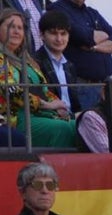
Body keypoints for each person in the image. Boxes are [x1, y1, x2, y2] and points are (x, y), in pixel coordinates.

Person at [0, 8, 76, 147]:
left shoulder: (28, 59)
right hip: (17, 118)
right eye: (11, 26)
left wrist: (58, 105)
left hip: (41, 113)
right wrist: (46, 105)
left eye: (20, 28)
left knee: (77, 126)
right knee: (62, 129)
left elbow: (44, 89)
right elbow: (12, 91)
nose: (16, 31)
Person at [44, 0, 112, 111]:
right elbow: (82, 36)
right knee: (86, 125)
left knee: (108, 127)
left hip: (106, 87)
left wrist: (94, 48)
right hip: (82, 86)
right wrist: (102, 38)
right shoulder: (57, 9)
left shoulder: (92, 13)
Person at [33, 10, 80, 115]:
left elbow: (75, 103)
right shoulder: (34, 62)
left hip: (71, 118)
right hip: (49, 118)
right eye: (53, 33)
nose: (59, 39)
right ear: (41, 35)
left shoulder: (70, 66)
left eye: (63, 34)